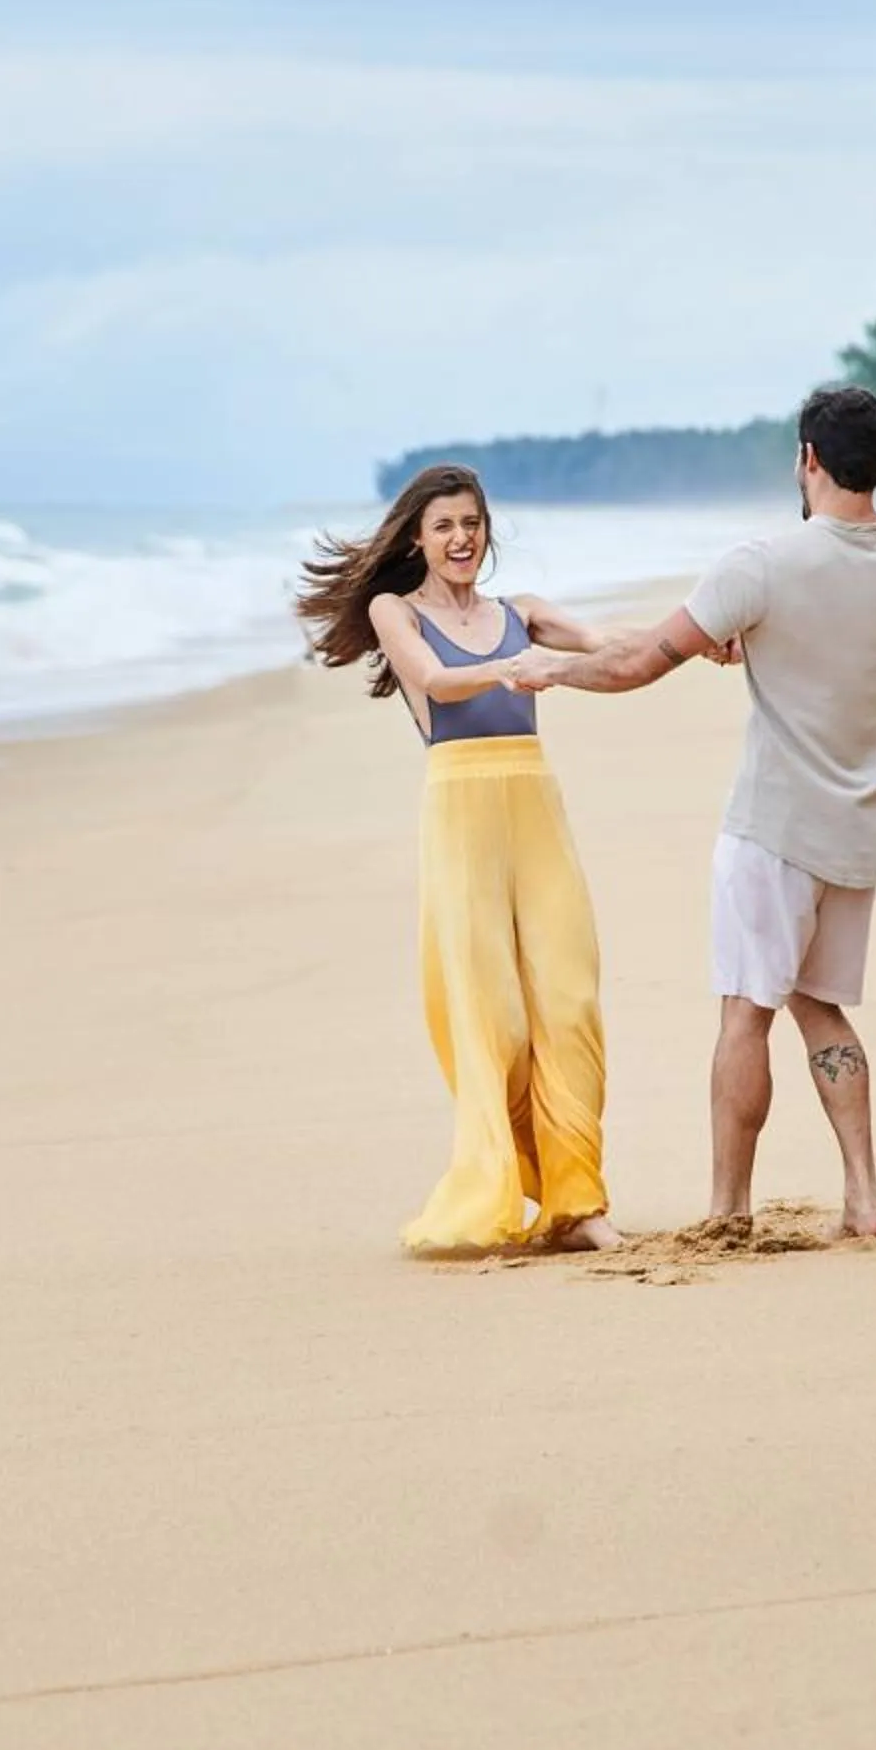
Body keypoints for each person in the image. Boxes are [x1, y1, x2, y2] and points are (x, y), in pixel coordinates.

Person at [508, 384, 876, 1242]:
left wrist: (551, 670)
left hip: (774, 827)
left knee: (745, 1010)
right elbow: (839, 628)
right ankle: (864, 1197)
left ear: (808, 460)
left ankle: (729, 1210)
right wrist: (755, 632)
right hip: (859, 827)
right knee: (818, 1007)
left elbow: (639, 663)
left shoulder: (762, 566)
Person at [295, 464, 636, 1254]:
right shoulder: (395, 611)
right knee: (497, 1019)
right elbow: (437, 683)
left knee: (569, 1000)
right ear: (416, 535)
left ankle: (580, 1201)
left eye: (472, 523)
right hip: (461, 810)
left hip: (535, 806)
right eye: (444, 524)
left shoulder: (525, 612)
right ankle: (518, 1183)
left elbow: (611, 645)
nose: (461, 538)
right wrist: (518, 668)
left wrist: (697, 644)